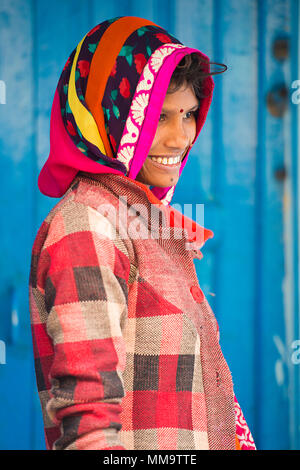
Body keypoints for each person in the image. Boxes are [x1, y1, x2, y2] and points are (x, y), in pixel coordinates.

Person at [29, 16, 256, 450]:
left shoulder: (137, 217)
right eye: (159, 116)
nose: (179, 137)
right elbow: (89, 422)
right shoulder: (87, 225)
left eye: (188, 114)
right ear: (108, 118)